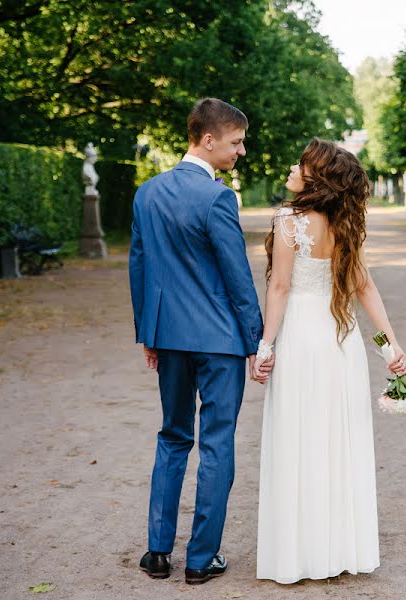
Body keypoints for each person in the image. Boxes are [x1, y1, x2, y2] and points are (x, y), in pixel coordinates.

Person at [128, 97, 273, 585]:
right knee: (216, 443)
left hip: (168, 337)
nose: (241, 151)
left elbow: (141, 270)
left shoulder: (146, 193)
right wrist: (256, 341)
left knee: (172, 437)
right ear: (207, 140)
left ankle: (156, 552)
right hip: (218, 341)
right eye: (236, 142)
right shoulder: (217, 197)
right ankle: (200, 558)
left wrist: (148, 333)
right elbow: (237, 277)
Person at [253, 138, 406, 584]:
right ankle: (340, 549)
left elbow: (279, 288)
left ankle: (299, 554)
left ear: (314, 177)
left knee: (298, 439)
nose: (292, 167)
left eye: (300, 164)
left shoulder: (288, 221)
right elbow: (365, 290)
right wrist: (390, 348)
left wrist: (265, 348)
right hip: (342, 343)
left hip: (302, 337)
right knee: (338, 441)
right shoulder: (344, 225)